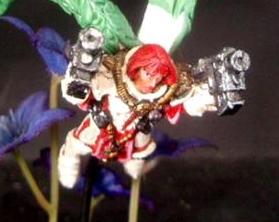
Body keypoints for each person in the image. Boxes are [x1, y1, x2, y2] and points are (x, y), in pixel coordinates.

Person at [59, 38, 216, 185]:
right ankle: (67, 170)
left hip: (135, 132)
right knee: (75, 145)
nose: (153, 83)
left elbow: (180, 106)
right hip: (101, 125)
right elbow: (82, 95)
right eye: (148, 75)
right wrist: (79, 81)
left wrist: (206, 97)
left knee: (137, 159)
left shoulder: (160, 94)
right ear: (137, 69)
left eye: (158, 79)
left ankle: (135, 172)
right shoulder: (110, 79)